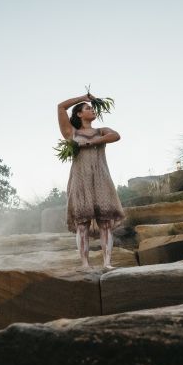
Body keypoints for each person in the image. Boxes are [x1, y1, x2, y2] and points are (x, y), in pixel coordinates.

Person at [57, 93, 124, 269]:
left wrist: (92, 142)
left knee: (105, 222)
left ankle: (107, 263)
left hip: (101, 178)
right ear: (79, 114)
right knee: (82, 224)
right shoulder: (71, 133)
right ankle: (85, 264)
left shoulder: (101, 131)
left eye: (92, 108)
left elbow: (116, 135)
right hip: (80, 180)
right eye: (88, 108)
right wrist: (83, 98)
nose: (92, 110)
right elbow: (61, 107)